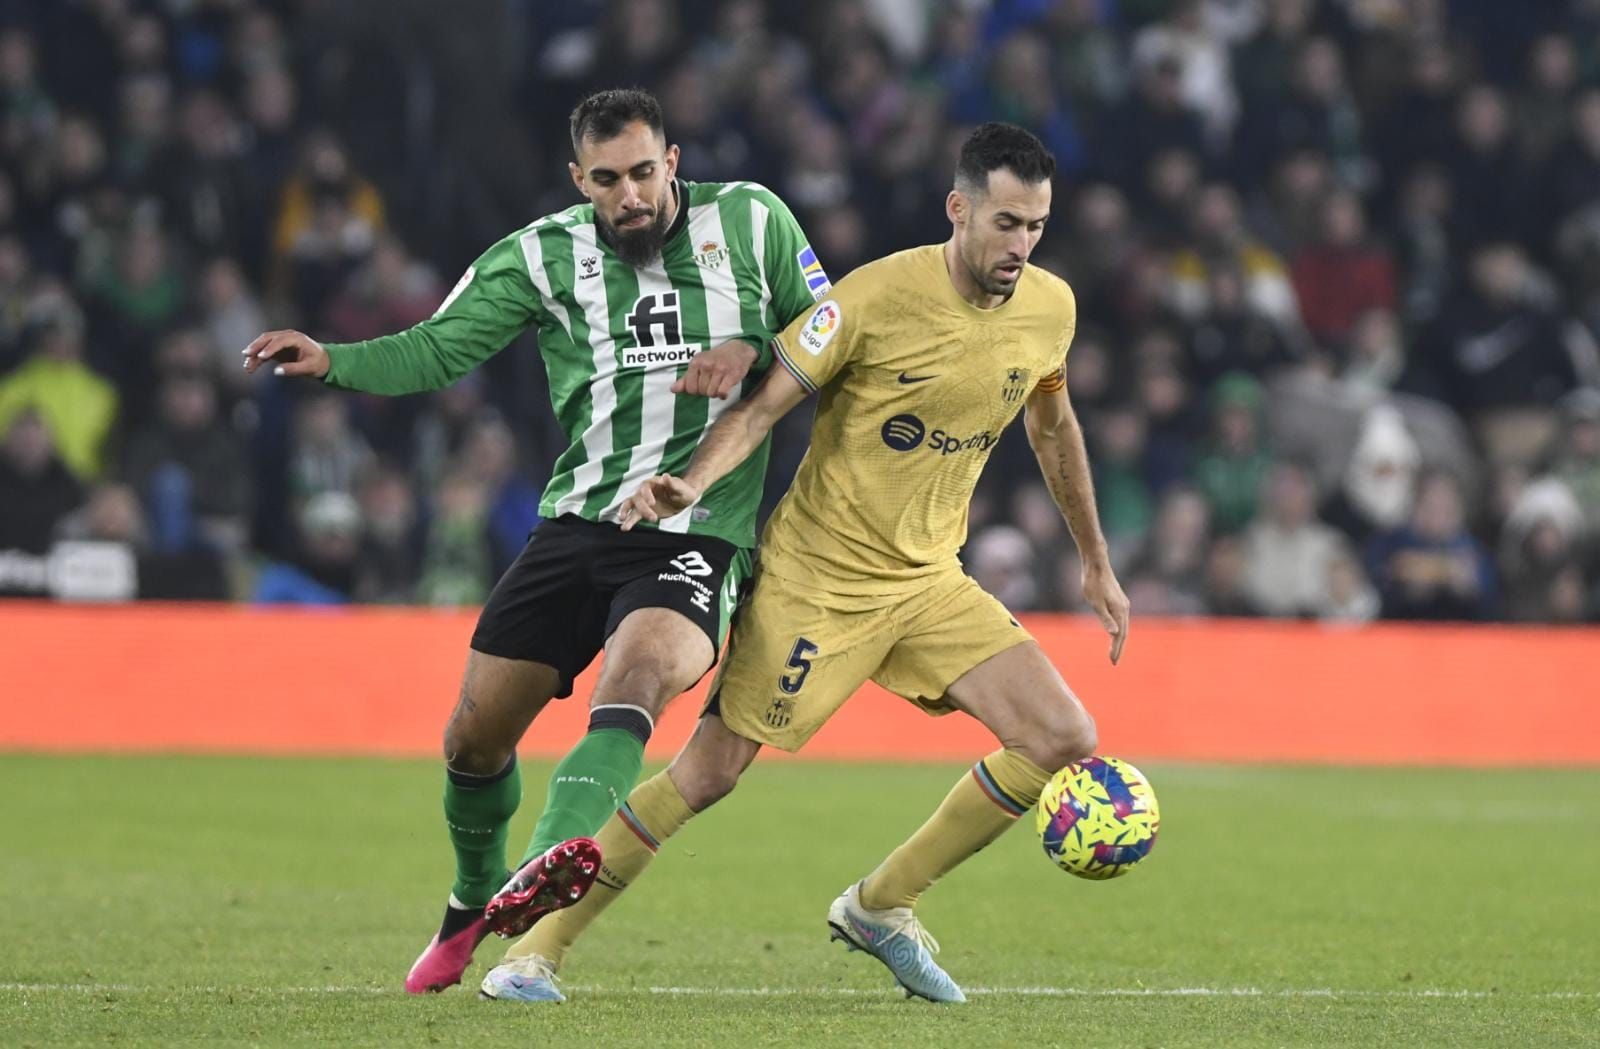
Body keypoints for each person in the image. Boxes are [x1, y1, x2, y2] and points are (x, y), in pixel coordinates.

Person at [487, 123, 1128, 1004]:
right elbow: (762, 409)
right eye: (1007, 224)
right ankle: (533, 951)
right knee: (707, 774)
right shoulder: (867, 300)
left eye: (1036, 227)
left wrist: (1094, 559)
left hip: (929, 579)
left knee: (1064, 737)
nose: (1021, 245)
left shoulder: (1051, 308)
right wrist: (691, 481)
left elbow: (1053, 425)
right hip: (813, 582)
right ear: (959, 210)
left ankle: (880, 905)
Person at [242, 89, 829, 994]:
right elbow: (439, 348)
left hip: (695, 528)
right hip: (578, 523)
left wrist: (755, 350)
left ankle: (554, 857)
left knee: (638, 676)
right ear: (578, 180)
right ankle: (474, 898)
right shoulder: (542, 254)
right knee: (472, 742)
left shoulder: (751, 221)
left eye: (643, 171)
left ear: (673, 161)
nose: (630, 195)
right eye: (608, 180)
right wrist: (334, 359)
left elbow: (831, 336)